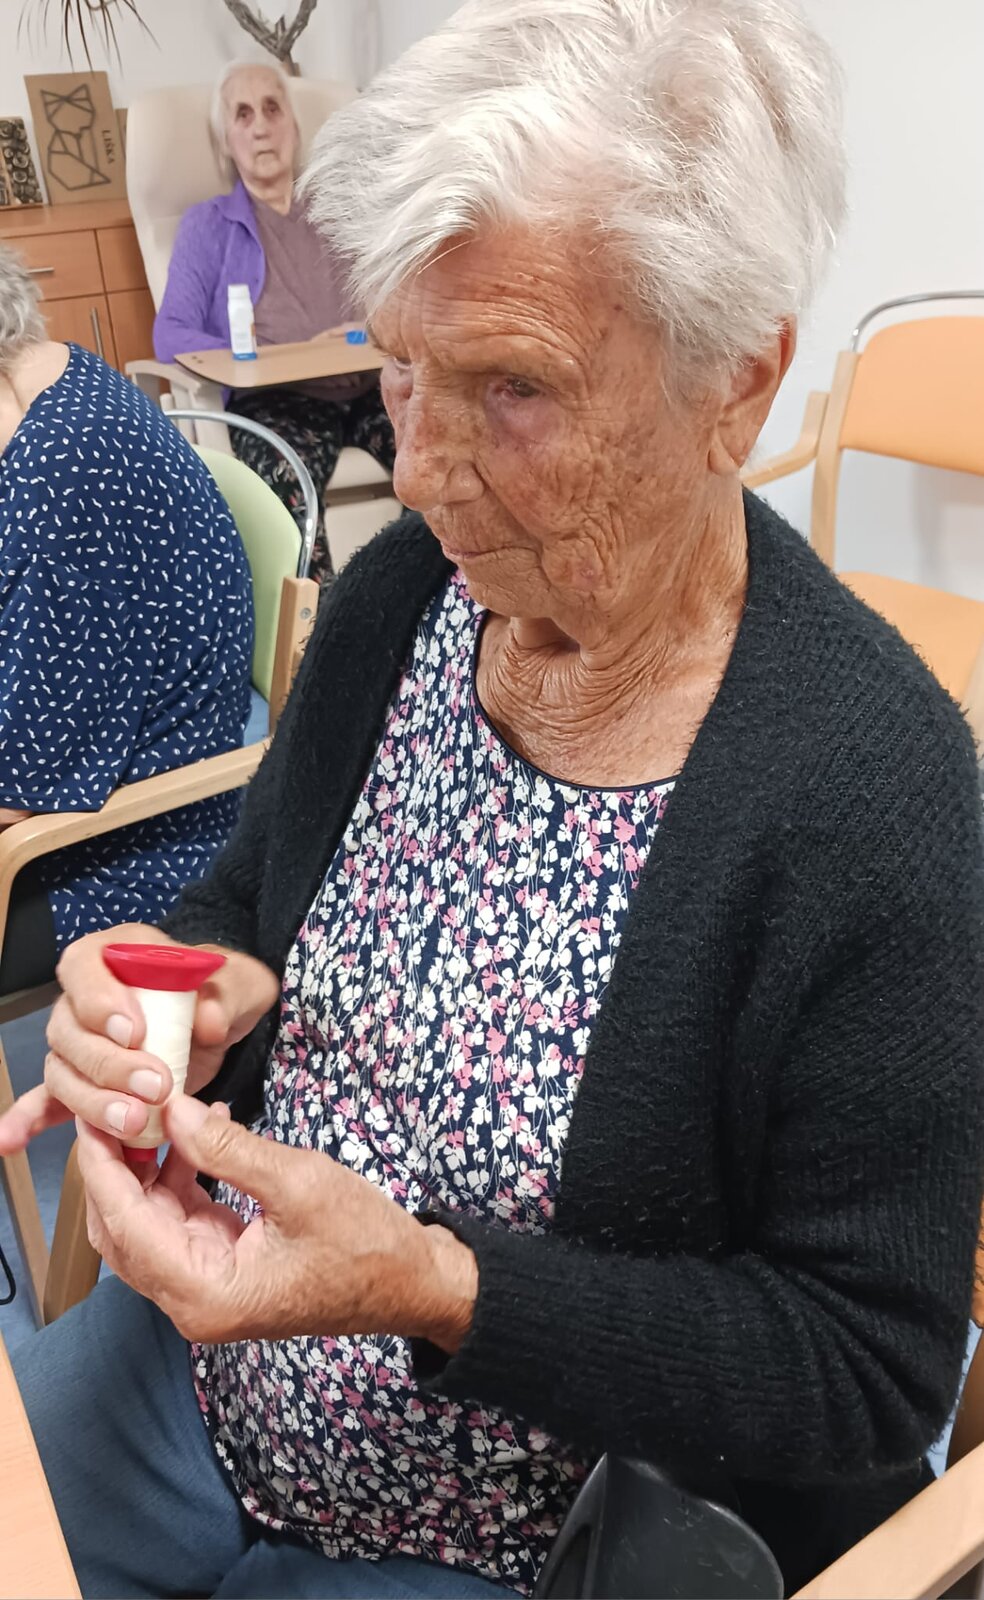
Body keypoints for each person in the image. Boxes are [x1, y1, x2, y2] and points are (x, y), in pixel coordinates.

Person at [2, 2, 983, 1596]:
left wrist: (440, 1289)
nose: (423, 470)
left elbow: (866, 1370)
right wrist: (186, 987)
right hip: (199, 1369)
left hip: (523, 1538)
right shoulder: (407, 597)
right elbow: (245, 897)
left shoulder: (873, 791)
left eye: (513, 388)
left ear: (737, 386)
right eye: (402, 369)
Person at [0, 244, 253, 993]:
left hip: (122, 849)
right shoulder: (61, 374)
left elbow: (23, 788)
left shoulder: (59, 484)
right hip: (104, 783)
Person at [153, 59, 396, 585]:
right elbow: (170, 333)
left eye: (272, 108)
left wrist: (361, 334)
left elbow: (391, 300)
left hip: (369, 387)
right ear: (226, 141)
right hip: (278, 401)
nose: (261, 126)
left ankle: (433, 609)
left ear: (294, 125)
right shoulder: (208, 225)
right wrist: (264, 356)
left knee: (443, 459)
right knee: (286, 488)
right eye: (242, 115)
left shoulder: (339, 208)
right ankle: (324, 624)